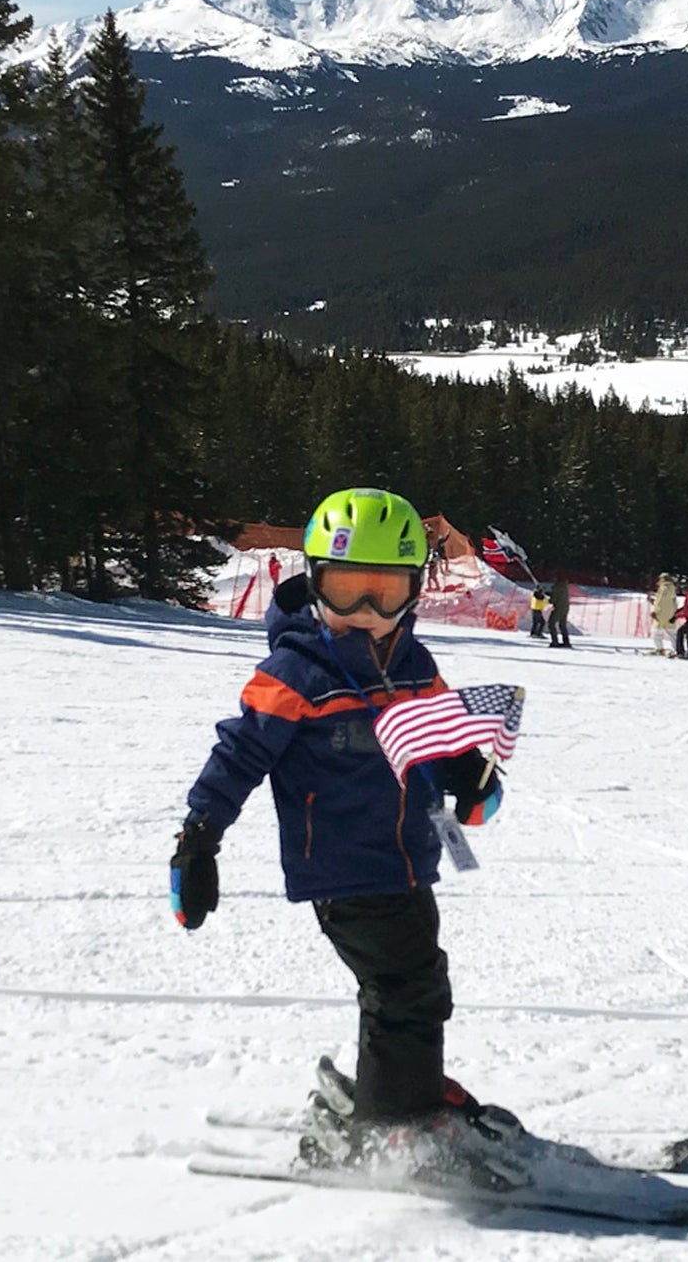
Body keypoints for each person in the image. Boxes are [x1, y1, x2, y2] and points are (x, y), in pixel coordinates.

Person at [168, 487, 510, 1173]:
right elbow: (240, 753)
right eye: (347, 590)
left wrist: (474, 780)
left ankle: (404, 1093)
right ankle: (396, 1125)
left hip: (408, 860)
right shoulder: (297, 671)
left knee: (411, 984)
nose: (365, 613)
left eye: (384, 594)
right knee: (407, 987)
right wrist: (200, 837)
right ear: (315, 581)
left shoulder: (415, 666)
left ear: (414, 592)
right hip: (344, 869)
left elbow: (443, 749)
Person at [649, 572, 680, 657]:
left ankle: (659, 649)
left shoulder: (663, 588)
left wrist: (654, 610)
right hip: (671, 614)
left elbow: (660, 601)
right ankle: (677, 650)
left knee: (656, 632)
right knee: (672, 633)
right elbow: (674, 602)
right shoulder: (672, 588)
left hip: (661, 614)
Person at [547, 578, 571, 648]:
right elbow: (559, 595)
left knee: (551, 623)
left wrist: (548, 597)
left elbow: (552, 600)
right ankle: (566, 641)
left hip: (558, 608)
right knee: (562, 625)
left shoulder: (557, 588)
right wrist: (550, 593)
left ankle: (555, 641)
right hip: (565, 608)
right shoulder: (565, 587)